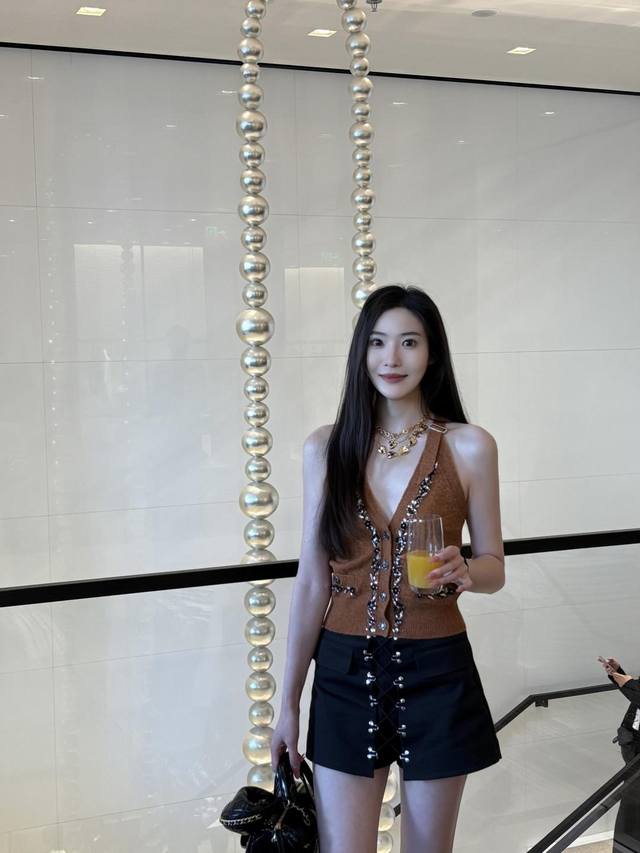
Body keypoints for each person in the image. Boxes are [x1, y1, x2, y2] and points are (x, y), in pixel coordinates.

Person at [271, 285, 504, 853]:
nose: (392, 358)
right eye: (377, 343)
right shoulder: (326, 449)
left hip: (438, 671)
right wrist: (288, 704)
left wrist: (468, 570)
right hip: (344, 673)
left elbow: (495, 566)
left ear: (432, 353)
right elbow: (312, 581)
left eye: (409, 342)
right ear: (361, 352)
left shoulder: (470, 446)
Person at [599, 656, 640, 851]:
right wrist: (619, 675)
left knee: (633, 805)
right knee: (631, 806)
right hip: (633, 746)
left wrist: (628, 683)